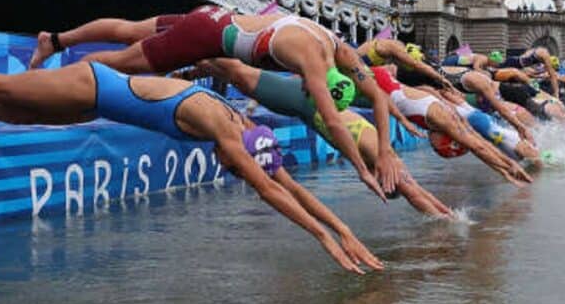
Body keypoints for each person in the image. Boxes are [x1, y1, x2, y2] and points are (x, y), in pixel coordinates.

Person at [0, 63, 383, 275]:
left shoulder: (243, 126)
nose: (228, 171)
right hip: (92, 83)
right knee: (1, 87)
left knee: (14, 112)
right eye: (235, 169)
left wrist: (344, 229)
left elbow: (286, 185)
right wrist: (323, 239)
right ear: (240, 152)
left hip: (91, 102)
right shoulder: (224, 128)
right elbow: (270, 192)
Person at [28, 6, 402, 196]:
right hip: (205, 35)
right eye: (312, 87)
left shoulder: (338, 47)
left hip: (212, 15)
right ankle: (70, 78)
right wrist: (363, 171)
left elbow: (377, 97)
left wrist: (384, 150)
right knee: (124, 63)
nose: (306, 88)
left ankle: (56, 41)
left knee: (129, 30)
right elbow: (334, 121)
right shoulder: (315, 62)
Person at [183, 59, 453, 217]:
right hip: (305, 104)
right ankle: (190, 70)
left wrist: (446, 213)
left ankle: (191, 71)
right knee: (238, 73)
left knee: (238, 73)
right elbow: (414, 193)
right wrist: (446, 222)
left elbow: (419, 192)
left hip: (306, 102)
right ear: (385, 183)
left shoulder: (381, 158)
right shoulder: (383, 160)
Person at [357, 65, 533, 185]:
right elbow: (478, 147)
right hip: (379, 80)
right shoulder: (441, 119)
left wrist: (504, 170)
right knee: (512, 148)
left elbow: (478, 146)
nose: (432, 146)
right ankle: (536, 158)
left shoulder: (442, 120)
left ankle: (536, 157)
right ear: (446, 139)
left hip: (383, 82)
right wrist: (508, 167)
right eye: (437, 147)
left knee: (507, 148)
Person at [356, 39, 452, 89]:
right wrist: (440, 78)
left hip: (357, 66)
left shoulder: (381, 43)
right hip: (357, 69)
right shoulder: (394, 47)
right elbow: (416, 64)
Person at [487, 47, 560, 98]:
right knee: (494, 73)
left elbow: (528, 71)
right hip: (512, 64)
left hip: (514, 62)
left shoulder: (537, 50)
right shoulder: (545, 55)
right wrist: (556, 93)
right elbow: (552, 76)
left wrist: (538, 75)